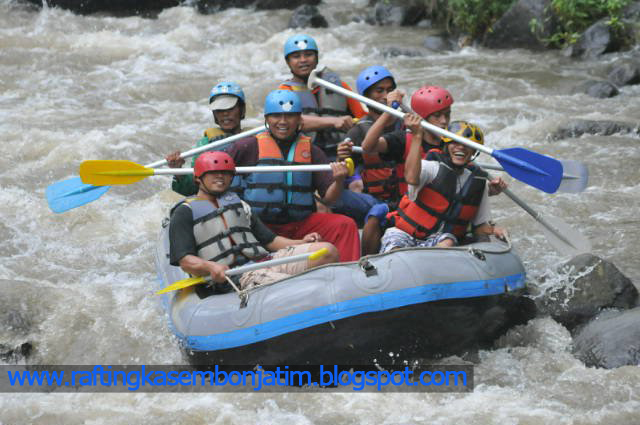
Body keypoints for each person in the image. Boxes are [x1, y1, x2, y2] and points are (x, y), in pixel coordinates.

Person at [169, 151, 339, 290]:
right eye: (213, 173)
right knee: (292, 286)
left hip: (266, 261)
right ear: (198, 178)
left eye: (226, 173)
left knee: (327, 251)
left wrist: (301, 242)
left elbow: (270, 240)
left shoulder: (239, 205)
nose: (220, 177)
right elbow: (185, 260)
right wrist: (210, 267)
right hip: (235, 276)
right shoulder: (185, 212)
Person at [226, 90, 361, 263]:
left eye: (289, 116)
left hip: (300, 224)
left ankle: (347, 274)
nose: (283, 122)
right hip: (259, 226)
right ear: (267, 119)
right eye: (276, 116)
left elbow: (329, 199)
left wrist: (339, 179)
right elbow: (215, 177)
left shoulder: (312, 151)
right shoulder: (247, 146)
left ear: (300, 120)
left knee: (345, 225)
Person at [380, 119, 506, 253]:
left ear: (474, 152)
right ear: (446, 144)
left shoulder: (479, 183)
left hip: (437, 241)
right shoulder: (431, 168)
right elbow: (411, 177)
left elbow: (480, 227)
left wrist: (495, 230)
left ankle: (430, 265)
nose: (461, 147)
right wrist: (417, 136)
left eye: (467, 145)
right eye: (455, 142)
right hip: (404, 234)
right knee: (395, 248)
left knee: (448, 241)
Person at [278, 34, 366, 161]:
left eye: (308, 54)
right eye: (296, 56)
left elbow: (363, 117)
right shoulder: (285, 92)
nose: (303, 60)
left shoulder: (339, 86)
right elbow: (290, 122)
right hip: (305, 156)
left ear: (317, 58)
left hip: (342, 153)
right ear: (288, 62)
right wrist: (333, 121)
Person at [165, 81, 247, 196]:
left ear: (242, 110)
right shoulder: (206, 144)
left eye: (230, 108)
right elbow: (191, 189)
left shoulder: (258, 138)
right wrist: (178, 170)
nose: (225, 114)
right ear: (214, 115)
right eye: (219, 110)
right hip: (219, 203)